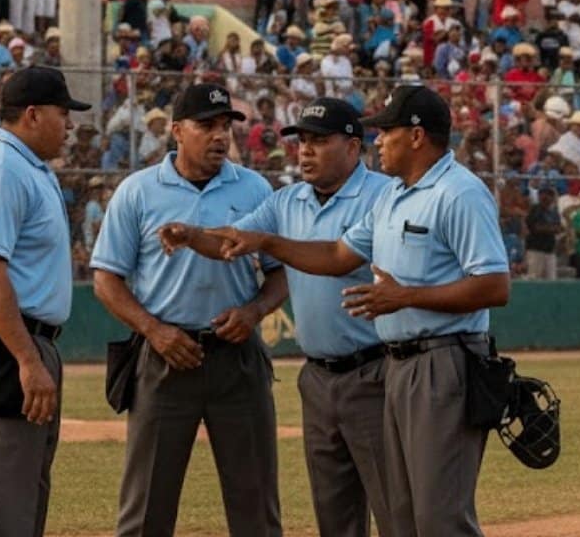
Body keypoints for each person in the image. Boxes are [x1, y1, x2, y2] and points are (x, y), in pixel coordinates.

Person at [206, 85, 510, 537]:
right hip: (401, 363)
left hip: (445, 360)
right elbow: (335, 256)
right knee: (406, 515)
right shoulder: (393, 196)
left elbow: (495, 285)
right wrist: (266, 241)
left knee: (440, 518)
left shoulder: (459, 192)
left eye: (385, 131)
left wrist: (405, 297)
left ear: (416, 136)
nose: (378, 141)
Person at [159, 98, 395, 537]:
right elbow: (234, 241)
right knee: (335, 515)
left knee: (396, 510)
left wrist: (267, 242)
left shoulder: (384, 195)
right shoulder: (288, 200)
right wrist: (192, 236)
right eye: (301, 140)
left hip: (375, 372)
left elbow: (336, 258)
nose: (305, 150)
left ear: (353, 147)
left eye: (319, 141)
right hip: (319, 378)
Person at [90, 84, 282, 537]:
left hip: (237, 357)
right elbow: (105, 279)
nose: (219, 136)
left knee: (255, 504)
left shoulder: (255, 188)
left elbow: (281, 271)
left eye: (225, 127)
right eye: (206, 126)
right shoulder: (138, 191)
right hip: (165, 357)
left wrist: (254, 312)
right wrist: (154, 331)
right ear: (177, 131)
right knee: (146, 508)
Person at [0, 66, 91, 536]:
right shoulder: (3, 167)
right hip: (3, 345)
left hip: (24, 341)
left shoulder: (29, 166)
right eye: (63, 113)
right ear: (32, 114)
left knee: (23, 504)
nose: (69, 125)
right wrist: (27, 359)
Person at [524, 186, 562, 280]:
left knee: (551, 280)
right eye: (543, 194)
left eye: (549, 195)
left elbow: (558, 228)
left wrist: (549, 228)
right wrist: (550, 229)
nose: (546, 197)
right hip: (535, 249)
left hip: (549, 250)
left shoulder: (554, 212)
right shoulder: (535, 210)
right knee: (534, 278)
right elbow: (536, 227)